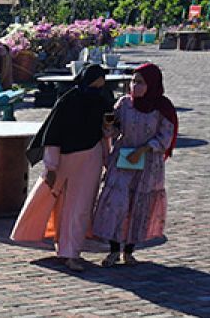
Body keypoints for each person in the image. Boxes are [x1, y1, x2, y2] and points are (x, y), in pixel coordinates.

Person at [11, 64, 113, 272]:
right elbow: (54, 134)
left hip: (91, 157)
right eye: (95, 83)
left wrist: (107, 150)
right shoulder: (69, 101)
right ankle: (47, 239)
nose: (98, 88)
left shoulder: (103, 99)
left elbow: (105, 132)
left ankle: (71, 252)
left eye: (100, 83)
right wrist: (51, 165)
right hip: (65, 158)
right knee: (54, 200)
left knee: (81, 207)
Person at [93, 63, 178, 266]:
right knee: (116, 202)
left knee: (139, 206)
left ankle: (129, 251)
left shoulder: (162, 108)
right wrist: (108, 126)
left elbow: (166, 136)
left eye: (140, 82)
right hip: (123, 159)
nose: (134, 85)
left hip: (147, 162)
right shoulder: (124, 104)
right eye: (133, 81)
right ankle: (113, 250)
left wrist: (144, 149)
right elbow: (114, 130)